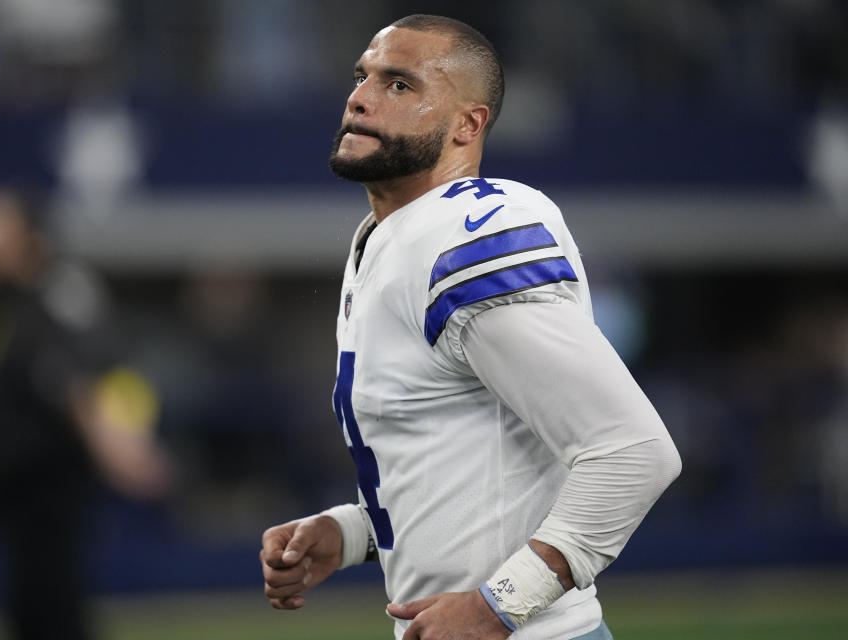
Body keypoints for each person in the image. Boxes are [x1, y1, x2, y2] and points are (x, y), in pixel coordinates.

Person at [260, 14, 681, 640]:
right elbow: (475, 466)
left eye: (399, 85)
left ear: (468, 124)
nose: (360, 97)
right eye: (363, 76)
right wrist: (351, 532)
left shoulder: (468, 235)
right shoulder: (388, 237)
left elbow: (633, 452)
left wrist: (498, 606)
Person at [0, 187, 169, 640]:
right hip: (14, 498)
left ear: (24, 233)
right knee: (26, 611)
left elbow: (85, 381)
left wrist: (121, 449)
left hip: (48, 492)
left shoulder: (58, 291)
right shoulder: (6, 304)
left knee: (53, 611)